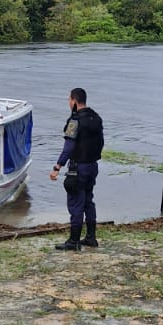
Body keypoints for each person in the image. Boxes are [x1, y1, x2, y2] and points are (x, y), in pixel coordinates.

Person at [49, 86, 104, 250]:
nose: (68, 102)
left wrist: (57, 166)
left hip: (78, 168)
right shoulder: (96, 118)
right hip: (92, 166)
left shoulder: (74, 121)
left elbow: (68, 147)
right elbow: (101, 142)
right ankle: (91, 237)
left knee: (75, 203)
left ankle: (74, 241)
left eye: (68, 100)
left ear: (74, 100)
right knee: (88, 201)